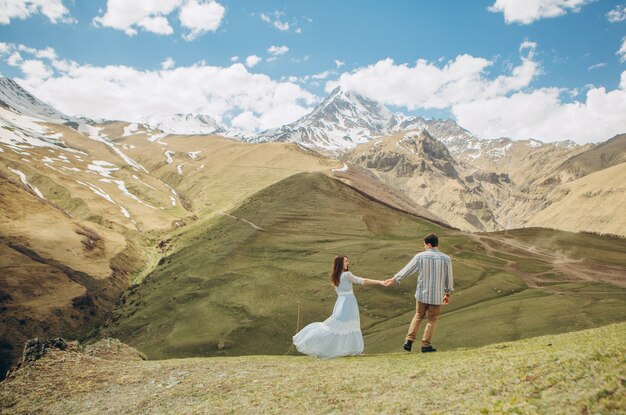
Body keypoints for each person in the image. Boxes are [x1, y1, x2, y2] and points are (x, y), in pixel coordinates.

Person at [293, 256, 385, 358]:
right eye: (345, 261)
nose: (348, 263)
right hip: (348, 304)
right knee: (346, 326)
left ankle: (340, 349)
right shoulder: (347, 275)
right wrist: (380, 282)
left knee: (338, 326)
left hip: (340, 303)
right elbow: (362, 280)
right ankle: (345, 349)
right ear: (340, 264)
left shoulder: (335, 277)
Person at [384, 233, 453, 353]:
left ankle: (409, 341)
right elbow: (449, 278)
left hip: (422, 294)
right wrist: (447, 293)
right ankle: (426, 345)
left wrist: (395, 278)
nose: (424, 247)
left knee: (418, 316)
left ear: (429, 244)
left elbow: (407, 269)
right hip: (437, 296)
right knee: (432, 320)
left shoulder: (420, 257)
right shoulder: (446, 259)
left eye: (425, 245)